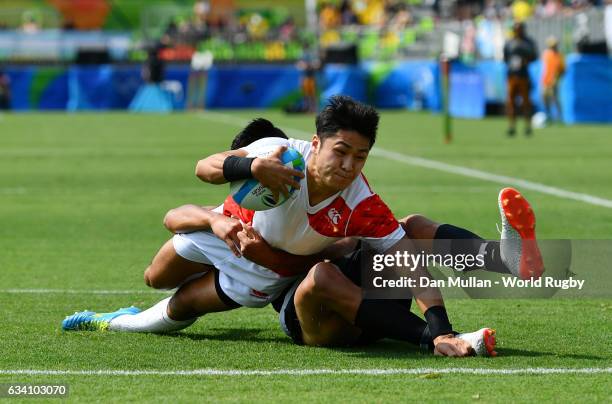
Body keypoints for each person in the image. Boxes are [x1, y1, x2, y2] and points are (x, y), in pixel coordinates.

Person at [62, 99, 543, 356]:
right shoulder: (276, 155)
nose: (351, 165)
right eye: (342, 152)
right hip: (232, 242)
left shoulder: (362, 200)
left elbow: (408, 263)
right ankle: (128, 312)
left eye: (361, 156)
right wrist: (244, 177)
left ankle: (504, 261)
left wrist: (440, 326)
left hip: (268, 281)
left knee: (185, 304)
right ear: (315, 144)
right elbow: (201, 171)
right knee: (155, 278)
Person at [504, 22, 537, 136]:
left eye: (520, 29)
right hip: (512, 75)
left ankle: (527, 126)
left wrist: (525, 61)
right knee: (510, 102)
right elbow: (505, 58)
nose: (518, 31)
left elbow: (534, 56)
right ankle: (511, 126)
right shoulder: (509, 42)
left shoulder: (528, 42)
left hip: (523, 75)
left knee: (526, 102)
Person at [540, 36, 565, 123]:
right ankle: (548, 115)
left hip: (554, 81)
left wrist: (557, 79)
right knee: (545, 99)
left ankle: (559, 117)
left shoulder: (559, 55)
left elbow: (562, 70)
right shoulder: (546, 54)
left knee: (555, 99)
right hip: (545, 81)